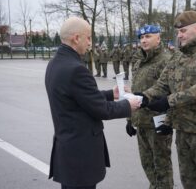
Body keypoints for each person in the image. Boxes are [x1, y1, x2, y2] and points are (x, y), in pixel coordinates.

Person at [45, 16, 141, 189]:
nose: (90, 42)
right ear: (76, 38)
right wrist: (129, 105)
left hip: (68, 150)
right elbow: (102, 110)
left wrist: (112, 94)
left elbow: (81, 99)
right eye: (88, 37)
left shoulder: (56, 63)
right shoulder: (76, 69)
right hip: (81, 154)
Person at [139, 10, 196, 189]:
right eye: (178, 32)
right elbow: (162, 85)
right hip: (183, 131)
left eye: (183, 31)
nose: (180, 35)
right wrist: (143, 97)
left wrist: (169, 101)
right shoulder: (177, 57)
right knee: (189, 182)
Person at [126, 25, 174, 189]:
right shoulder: (139, 60)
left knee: (162, 167)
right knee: (148, 165)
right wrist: (129, 118)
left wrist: (169, 120)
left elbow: (172, 92)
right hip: (141, 121)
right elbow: (135, 90)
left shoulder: (166, 60)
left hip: (159, 121)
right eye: (141, 37)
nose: (144, 40)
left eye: (148, 36)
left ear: (158, 38)